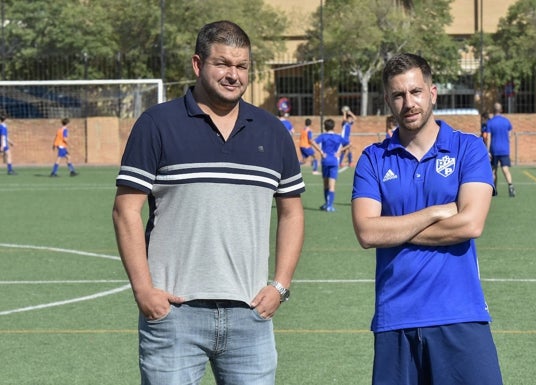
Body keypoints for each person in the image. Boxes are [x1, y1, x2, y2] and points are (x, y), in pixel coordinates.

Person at [112, 20, 305, 385]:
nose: (233, 74)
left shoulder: (273, 132)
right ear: (198, 64)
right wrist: (144, 291)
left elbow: (292, 212)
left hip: (251, 316)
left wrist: (280, 286)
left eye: (242, 66)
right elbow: (125, 210)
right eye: (223, 64)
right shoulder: (156, 124)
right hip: (174, 317)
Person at [351, 53, 503, 385]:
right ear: (388, 101)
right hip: (396, 318)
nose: (409, 102)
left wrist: (393, 226)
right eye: (398, 95)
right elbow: (367, 232)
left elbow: (470, 224)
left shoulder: (469, 148)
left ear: (432, 93)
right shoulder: (373, 159)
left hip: (461, 314)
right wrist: (435, 212)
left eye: (416, 91)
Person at [311, 118, 350, 212]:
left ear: (324, 127)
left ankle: (326, 204)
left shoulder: (323, 136)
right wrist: (339, 151)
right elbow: (349, 144)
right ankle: (329, 205)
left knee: (325, 184)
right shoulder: (337, 137)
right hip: (334, 161)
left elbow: (312, 141)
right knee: (332, 185)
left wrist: (321, 152)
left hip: (325, 161)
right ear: (334, 127)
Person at [486, 102, 515, 197]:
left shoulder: (490, 122)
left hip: (494, 149)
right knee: (505, 169)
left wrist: (487, 150)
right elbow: (510, 134)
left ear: (493, 110)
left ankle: (494, 190)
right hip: (504, 149)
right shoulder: (506, 121)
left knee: (494, 170)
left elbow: (488, 137)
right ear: (501, 110)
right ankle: (510, 186)